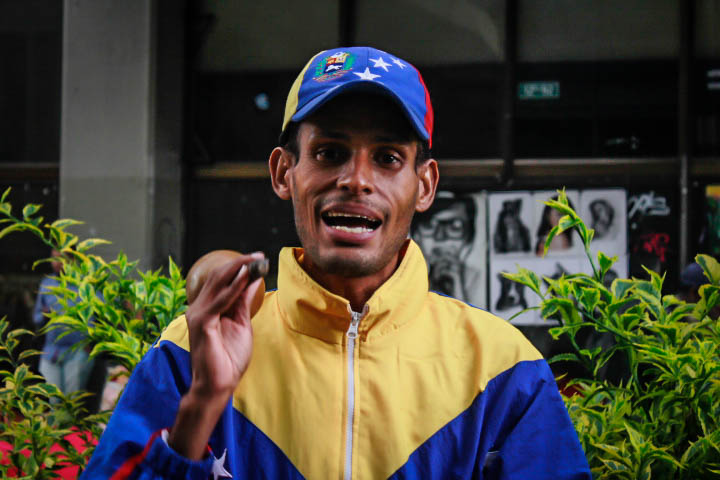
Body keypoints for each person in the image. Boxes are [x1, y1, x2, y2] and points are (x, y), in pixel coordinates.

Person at [82, 47, 590, 479]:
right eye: (329, 152)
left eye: (387, 157)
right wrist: (202, 405)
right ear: (284, 173)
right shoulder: (189, 353)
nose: (356, 180)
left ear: (425, 185)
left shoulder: (502, 369)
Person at [33, 249, 93, 396]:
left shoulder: (85, 284)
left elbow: (95, 315)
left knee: (72, 400)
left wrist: (90, 343)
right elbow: (36, 317)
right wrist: (44, 315)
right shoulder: (47, 283)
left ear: (73, 260)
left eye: (61, 258)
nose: (56, 263)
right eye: (53, 258)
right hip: (51, 350)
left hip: (77, 351)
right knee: (50, 399)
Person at [411, 192, 483, 303]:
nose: (440, 237)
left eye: (455, 226)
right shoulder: (403, 277)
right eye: (429, 225)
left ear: (468, 237)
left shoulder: (478, 279)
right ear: (416, 234)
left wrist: (459, 292)